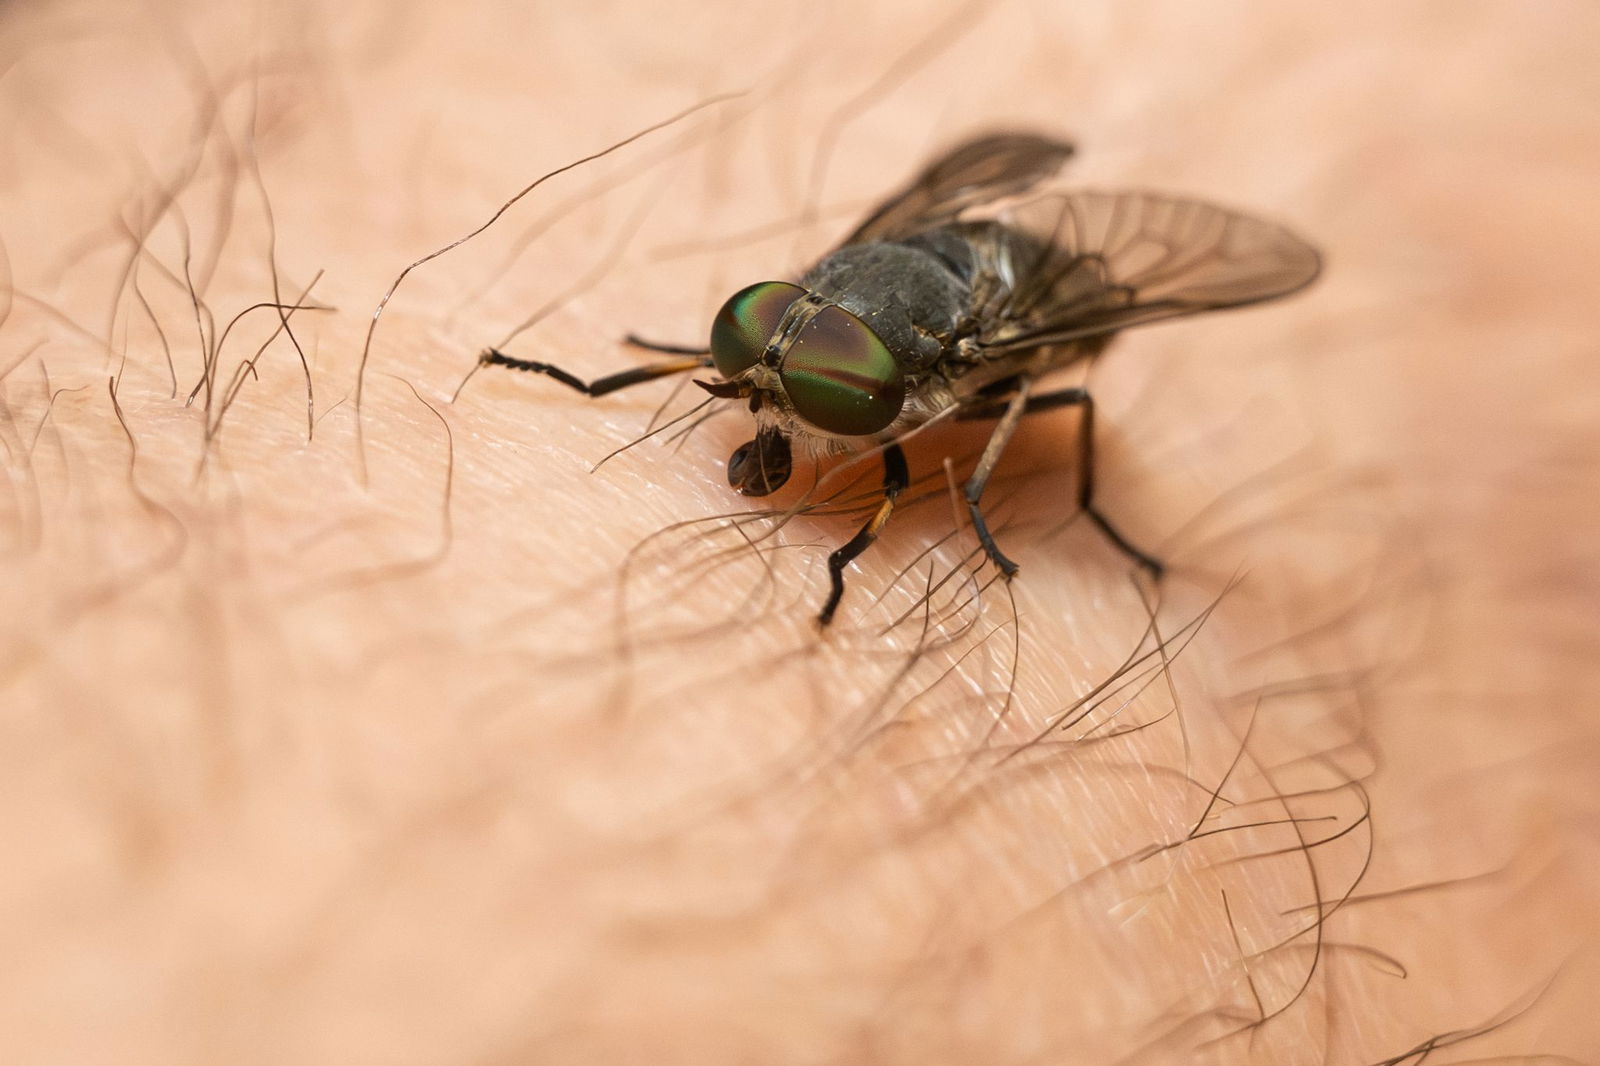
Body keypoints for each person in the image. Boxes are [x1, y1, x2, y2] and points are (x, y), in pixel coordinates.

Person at [1, 1, 1594, 1062]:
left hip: (1023, 309)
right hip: (925, 287)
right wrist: (638, 369)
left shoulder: (960, 377)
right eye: (764, 330)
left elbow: (962, 421)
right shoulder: (803, 326)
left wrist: (960, 499)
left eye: (792, 357)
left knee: (1047, 426)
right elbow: (822, 305)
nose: (758, 364)